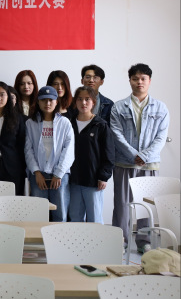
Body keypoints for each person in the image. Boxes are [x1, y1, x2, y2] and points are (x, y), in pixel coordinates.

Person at [110, 63, 169, 253]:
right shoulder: (119, 107)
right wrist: (134, 155)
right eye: (135, 79)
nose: (139, 82)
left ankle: (144, 241)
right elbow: (116, 134)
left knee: (146, 205)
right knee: (122, 204)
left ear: (149, 81)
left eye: (143, 78)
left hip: (149, 165)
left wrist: (144, 156)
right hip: (124, 162)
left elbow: (161, 137)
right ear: (130, 81)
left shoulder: (161, 108)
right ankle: (121, 240)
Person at [24, 86, 74, 222]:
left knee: (60, 213)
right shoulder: (30, 123)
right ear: (38, 102)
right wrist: (36, 172)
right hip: (38, 175)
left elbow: (69, 151)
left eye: (51, 100)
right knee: (38, 214)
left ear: (56, 102)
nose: (47, 103)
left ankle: (59, 236)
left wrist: (59, 173)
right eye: (44, 100)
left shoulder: (65, 123)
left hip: (60, 175)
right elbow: (28, 150)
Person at [69, 86, 115, 224]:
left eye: (87, 99)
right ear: (75, 102)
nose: (83, 103)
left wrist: (104, 176)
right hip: (73, 180)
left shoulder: (101, 125)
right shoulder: (69, 123)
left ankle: (97, 240)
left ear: (93, 102)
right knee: (75, 218)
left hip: (93, 180)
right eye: (80, 99)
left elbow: (109, 153)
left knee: (95, 219)